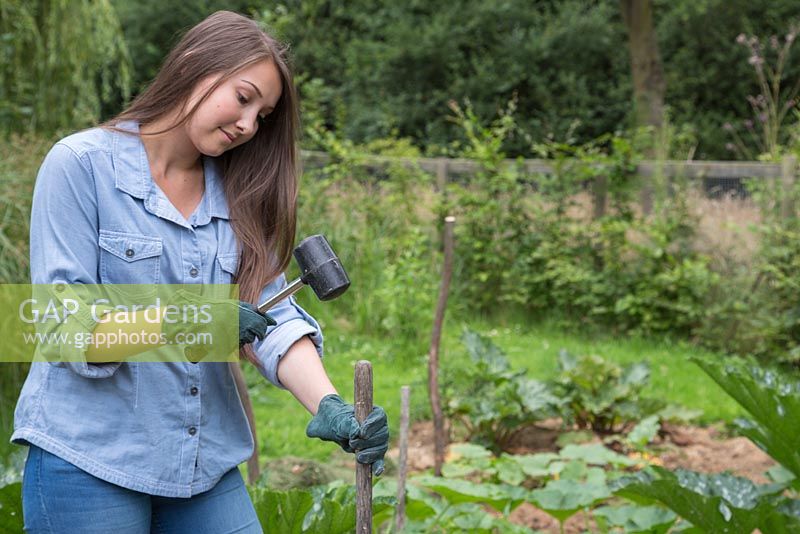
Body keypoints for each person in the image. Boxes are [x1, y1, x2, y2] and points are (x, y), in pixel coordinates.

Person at [11, 11, 389, 533]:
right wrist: (192, 321)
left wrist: (330, 405)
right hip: (88, 461)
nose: (248, 124)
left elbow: (271, 317)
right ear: (195, 64)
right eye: (243, 97)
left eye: (263, 115)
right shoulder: (80, 166)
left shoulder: (240, 193)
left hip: (201, 468)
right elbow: (63, 329)